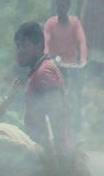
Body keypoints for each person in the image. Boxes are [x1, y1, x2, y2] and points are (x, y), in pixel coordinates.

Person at [15, 21, 72, 153]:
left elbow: (57, 119)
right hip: (41, 154)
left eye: (24, 46)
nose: (19, 51)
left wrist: (59, 157)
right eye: (17, 46)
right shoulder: (37, 72)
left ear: (39, 46)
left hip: (48, 156)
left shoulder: (44, 73)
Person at [43, 0, 87, 132]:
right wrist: (46, 55)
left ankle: (77, 125)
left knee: (77, 95)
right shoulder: (50, 23)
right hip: (56, 64)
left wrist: (83, 60)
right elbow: (46, 40)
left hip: (72, 66)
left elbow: (81, 41)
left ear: (68, 8)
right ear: (56, 7)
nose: (61, 8)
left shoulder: (75, 23)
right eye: (59, 6)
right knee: (49, 92)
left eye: (63, 6)